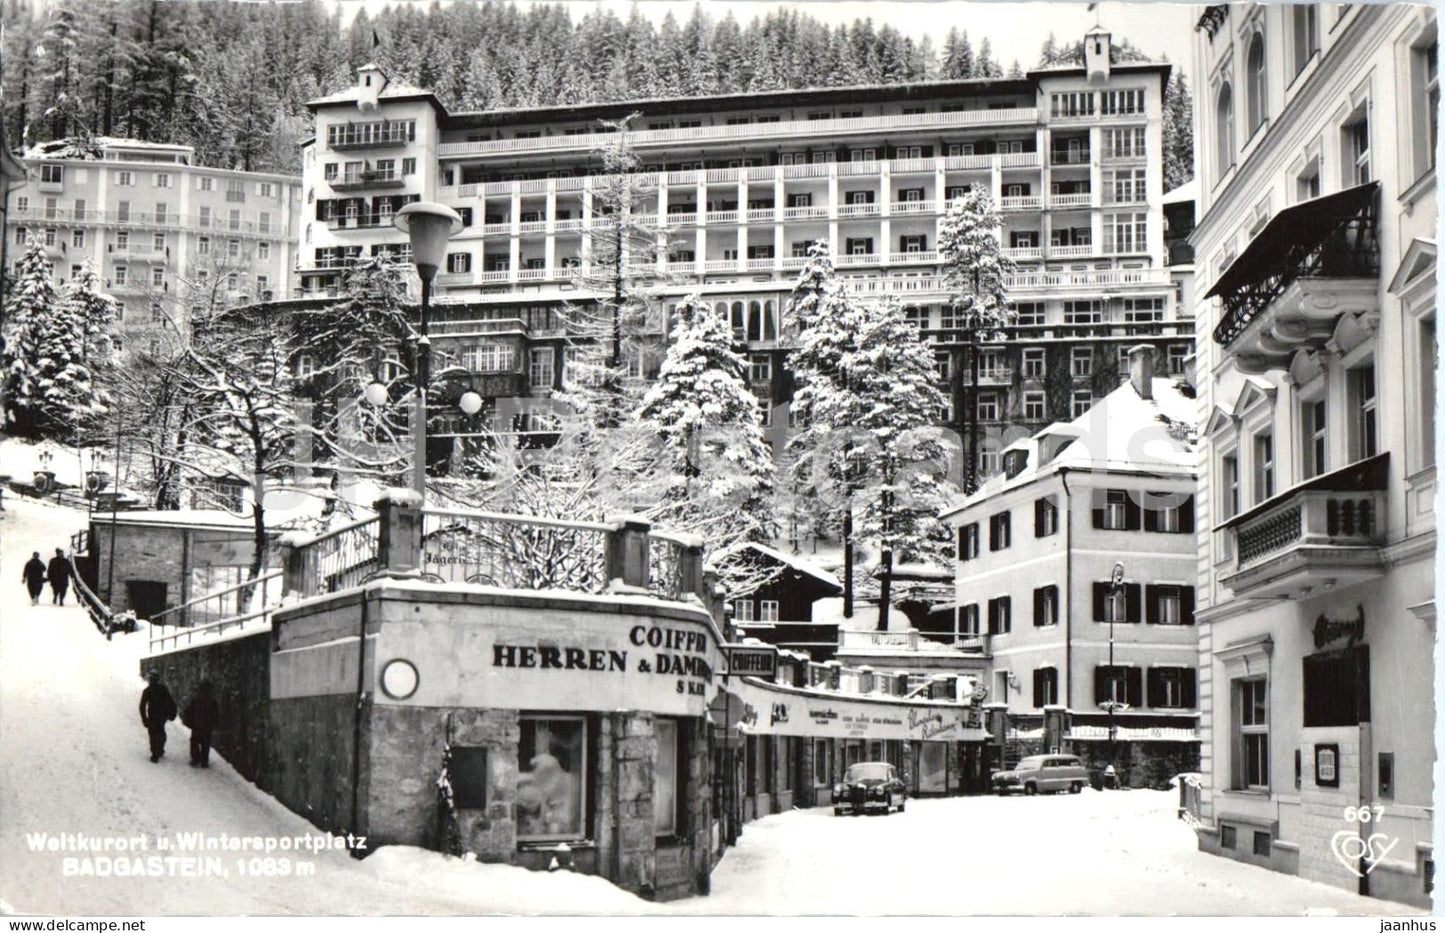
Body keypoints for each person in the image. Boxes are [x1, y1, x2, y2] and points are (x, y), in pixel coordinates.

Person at [138, 670, 177, 763]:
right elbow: (171, 702)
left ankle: (155, 753)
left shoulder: (147, 691)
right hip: (162, 715)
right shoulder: (163, 689)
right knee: (160, 732)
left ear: (150, 679)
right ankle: (159, 749)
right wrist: (172, 713)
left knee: (153, 734)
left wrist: (144, 719)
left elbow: (142, 706)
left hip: (153, 716)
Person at [183, 679, 220, 768]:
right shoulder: (212, 701)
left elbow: (189, 711)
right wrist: (215, 723)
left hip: (196, 726)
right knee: (205, 744)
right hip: (207, 727)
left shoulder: (196, 699)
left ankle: (195, 759)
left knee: (194, 742)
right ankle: (204, 761)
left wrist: (188, 722)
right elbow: (216, 714)